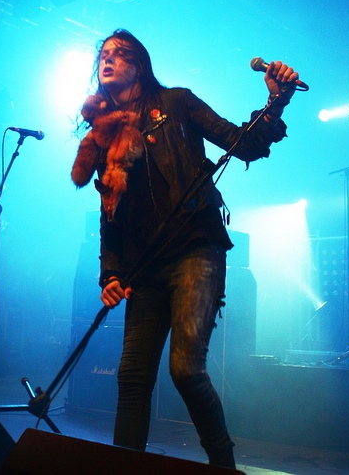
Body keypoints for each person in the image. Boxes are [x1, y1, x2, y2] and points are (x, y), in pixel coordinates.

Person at [70, 29, 300, 468]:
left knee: (185, 370)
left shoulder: (175, 103)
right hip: (144, 266)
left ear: (138, 65)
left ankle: (223, 465)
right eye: (103, 55)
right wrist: (111, 274)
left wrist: (276, 103)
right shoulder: (104, 135)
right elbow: (109, 214)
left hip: (195, 249)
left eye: (120, 55)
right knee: (133, 376)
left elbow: (244, 143)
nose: (108, 60)